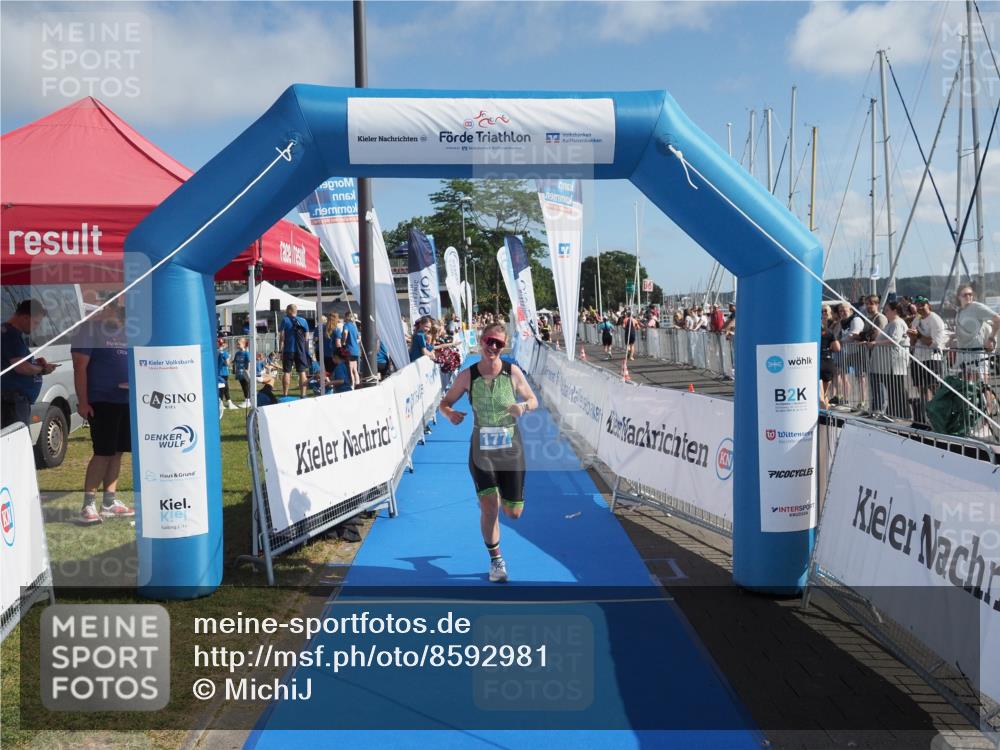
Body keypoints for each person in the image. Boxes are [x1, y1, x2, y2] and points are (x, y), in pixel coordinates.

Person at [439, 323, 539, 583]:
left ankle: (501, 497)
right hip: (481, 449)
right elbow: (444, 403)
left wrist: (523, 407)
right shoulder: (468, 375)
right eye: (489, 341)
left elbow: (533, 400)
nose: (493, 347)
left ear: (503, 347)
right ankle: (496, 561)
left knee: (513, 513)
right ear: (481, 341)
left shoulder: (512, 372)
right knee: (489, 506)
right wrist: (450, 414)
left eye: (498, 343)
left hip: (510, 448)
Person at [71, 304, 134, 524]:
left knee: (117, 452)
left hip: (125, 399)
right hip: (101, 400)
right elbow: (79, 366)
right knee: (103, 452)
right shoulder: (87, 330)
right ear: (105, 310)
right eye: (117, 313)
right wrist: (83, 402)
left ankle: (109, 502)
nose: (120, 319)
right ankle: (88, 505)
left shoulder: (125, 332)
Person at [1, 299, 57, 428]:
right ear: (25, 317)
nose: (36, 327)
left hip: (13, 401)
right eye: (35, 323)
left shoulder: (9, 332)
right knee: (16, 438)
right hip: (12, 402)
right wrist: (42, 369)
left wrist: (34, 363)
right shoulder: (10, 335)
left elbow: (13, 362)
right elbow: (21, 367)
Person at [907, 296, 947, 424]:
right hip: (918, 358)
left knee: (934, 388)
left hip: (932, 358)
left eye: (922, 304)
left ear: (928, 305)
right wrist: (912, 337)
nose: (920, 307)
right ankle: (927, 416)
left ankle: (940, 416)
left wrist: (918, 335)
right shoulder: (917, 319)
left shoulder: (935, 319)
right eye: (918, 305)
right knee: (921, 388)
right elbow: (913, 342)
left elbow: (935, 344)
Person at [951, 284, 999, 379]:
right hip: (962, 355)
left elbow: (997, 319)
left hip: (977, 353)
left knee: (982, 385)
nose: (968, 296)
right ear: (959, 297)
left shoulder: (976, 307)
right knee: (963, 386)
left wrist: (991, 338)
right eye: (965, 295)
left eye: (970, 294)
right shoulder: (959, 311)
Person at [278, 304, 311, 398]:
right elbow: (307, 337)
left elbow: (282, 337)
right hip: (301, 350)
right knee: (302, 372)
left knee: (287, 372)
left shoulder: (285, 320)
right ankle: (303, 395)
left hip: (288, 350)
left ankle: (285, 394)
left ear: (289, 310)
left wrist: (280, 350)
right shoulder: (303, 321)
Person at [341, 311, 362, 387]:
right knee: (355, 369)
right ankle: (357, 384)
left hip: (349, 350)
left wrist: (343, 342)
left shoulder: (346, 325)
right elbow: (359, 338)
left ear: (347, 317)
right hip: (356, 350)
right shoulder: (354, 326)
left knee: (350, 369)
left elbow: (345, 333)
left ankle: (352, 385)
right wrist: (354, 342)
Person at [217, 338, 238, 411]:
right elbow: (227, 363)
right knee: (223, 389)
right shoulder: (224, 353)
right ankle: (223, 404)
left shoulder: (215, 351)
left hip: (217, 373)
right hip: (223, 373)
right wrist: (229, 359)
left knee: (223, 388)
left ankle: (227, 403)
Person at [232, 338, 252, 408]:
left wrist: (247, 371)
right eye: (237, 344)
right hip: (239, 373)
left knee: (246, 386)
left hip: (244, 373)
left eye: (239, 344)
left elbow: (249, 362)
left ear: (244, 344)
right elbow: (234, 361)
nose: (237, 345)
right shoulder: (237, 353)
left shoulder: (246, 353)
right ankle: (246, 400)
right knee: (243, 386)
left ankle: (248, 401)